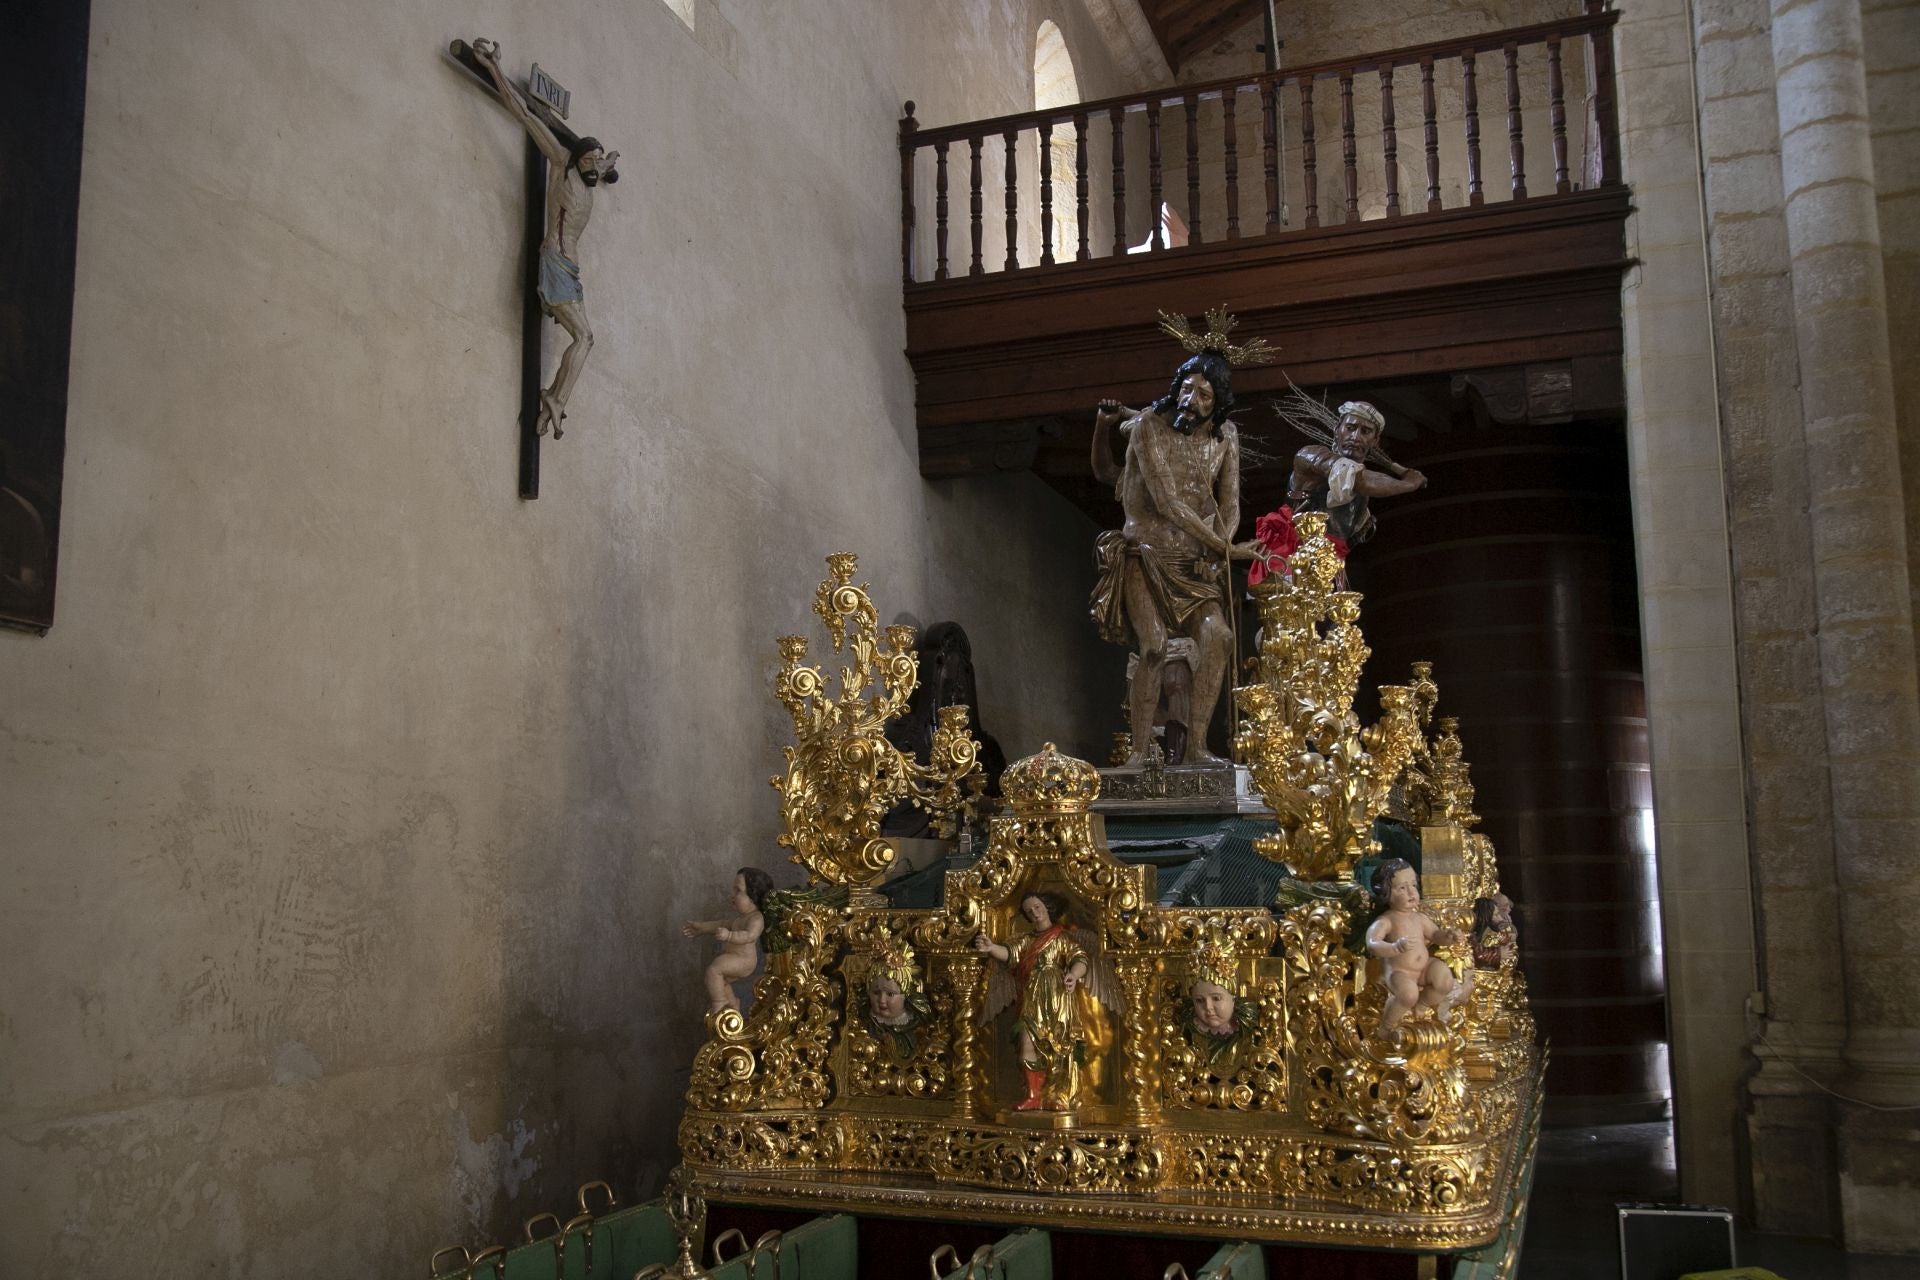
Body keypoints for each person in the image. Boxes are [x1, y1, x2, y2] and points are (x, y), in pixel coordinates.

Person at [1088, 351, 1241, 767]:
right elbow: (1167, 501)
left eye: (1204, 394)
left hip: (1192, 564)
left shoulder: (1227, 437)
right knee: (1154, 647)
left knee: (1219, 637)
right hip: (1146, 555)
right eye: (1186, 388)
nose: (1191, 399)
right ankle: (1139, 753)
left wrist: (1217, 549)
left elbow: (1230, 506)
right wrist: (1228, 548)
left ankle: (1197, 748)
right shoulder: (1149, 426)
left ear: (1218, 401)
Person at [470, 39, 619, 439]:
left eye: (597, 164)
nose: (594, 168)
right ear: (576, 159)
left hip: (570, 271)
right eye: (588, 161)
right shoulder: (559, 162)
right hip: (553, 262)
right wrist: (494, 68)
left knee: (586, 339)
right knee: (585, 337)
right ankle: (555, 398)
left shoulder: (592, 178)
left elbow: (605, 167)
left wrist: (609, 165)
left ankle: (555, 397)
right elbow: (522, 113)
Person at [973, 892, 1110, 1111]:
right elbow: (1010, 954)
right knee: (1027, 1044)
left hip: (1058, 998)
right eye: (1029, 911)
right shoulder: (1026, 941)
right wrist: (991, 948)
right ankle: (1033, 1095)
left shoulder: (1062, 937)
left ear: (1046, 907)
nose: (1035, 913)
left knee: (1059, 1047)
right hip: (1033, 999)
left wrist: (1073, 975)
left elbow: (1080, 958)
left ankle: (1058, 1095)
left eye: (1037, 907)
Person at [1287, 401, 1426, 546]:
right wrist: (1409, 483)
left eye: (1365, 431)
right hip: (1292, 559)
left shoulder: (1361, 493)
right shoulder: (1309, 456)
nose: (1355, 436)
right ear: (1337, 430)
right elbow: (1358, 478)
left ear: (1375, 440)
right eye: (1350, 428)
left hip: (1331, 563)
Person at [1364, 858, 1472, 1032]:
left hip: (1423, 969)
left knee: (1445, 980)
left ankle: (1421, 1004)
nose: (1411, 892)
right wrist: (1394, 948)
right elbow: (1372, 942)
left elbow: (1435, 935)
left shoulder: (1419, 918)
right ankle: (1387, 1027)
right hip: (1399, 972)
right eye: (1402, 888)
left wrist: (1448, 936)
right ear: (1387, 894)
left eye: (1413, 885)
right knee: (1408, 994)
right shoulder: (1387, 920)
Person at [682, 867, 773, 1014]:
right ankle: (732, 1004)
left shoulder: (756, 918)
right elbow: (722, 924)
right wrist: (702, 928)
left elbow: (750, 936)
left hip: (743, 960)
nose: (733, 895)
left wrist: (729, 936)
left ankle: (720, 1003)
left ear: (753, 896)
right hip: (735, 958)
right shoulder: (741, 918)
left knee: (714, 970)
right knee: (719, 980)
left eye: (738, 891)